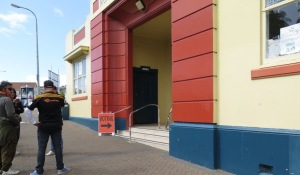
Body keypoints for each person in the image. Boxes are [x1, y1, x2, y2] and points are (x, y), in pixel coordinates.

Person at [25, 80, 70, 175]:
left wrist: (33, 122)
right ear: (53, 87)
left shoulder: (39, 98)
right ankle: (60, 168)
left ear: (44, 88)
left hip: (43, 126)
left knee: (41, 148)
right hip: (56, 125)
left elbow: (27, 110)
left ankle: (39, 171)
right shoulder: (60, 98)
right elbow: (62, 105)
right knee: (58, 148)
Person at [0, 81, 20, 175]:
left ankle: (1, 168)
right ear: (4, 89)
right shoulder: (6, 100)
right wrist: (17, 123)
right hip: (7, 126)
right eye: (10, 89)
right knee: (9, 148)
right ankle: (6, 170)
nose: (12, 91)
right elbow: (11, 115)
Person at [46, 86, 63, 156]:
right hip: (49, 121)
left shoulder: (59, 98)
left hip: (57, 121)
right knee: (52, 136)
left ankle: (59, 150)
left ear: (55, 90)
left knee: (58, 137)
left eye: (53, 90)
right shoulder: (49, 98)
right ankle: (53, 149)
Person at [10, 88, 24, 155]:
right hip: (9, 121)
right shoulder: (7, 100)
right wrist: (14, 105)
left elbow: (22, 110)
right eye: (11, 92)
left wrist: (17, 106)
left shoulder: (18, 101)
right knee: (9, 135)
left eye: (14, 92)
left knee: (16, 135)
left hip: (16, 120)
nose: (13, 93)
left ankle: (14, 149)